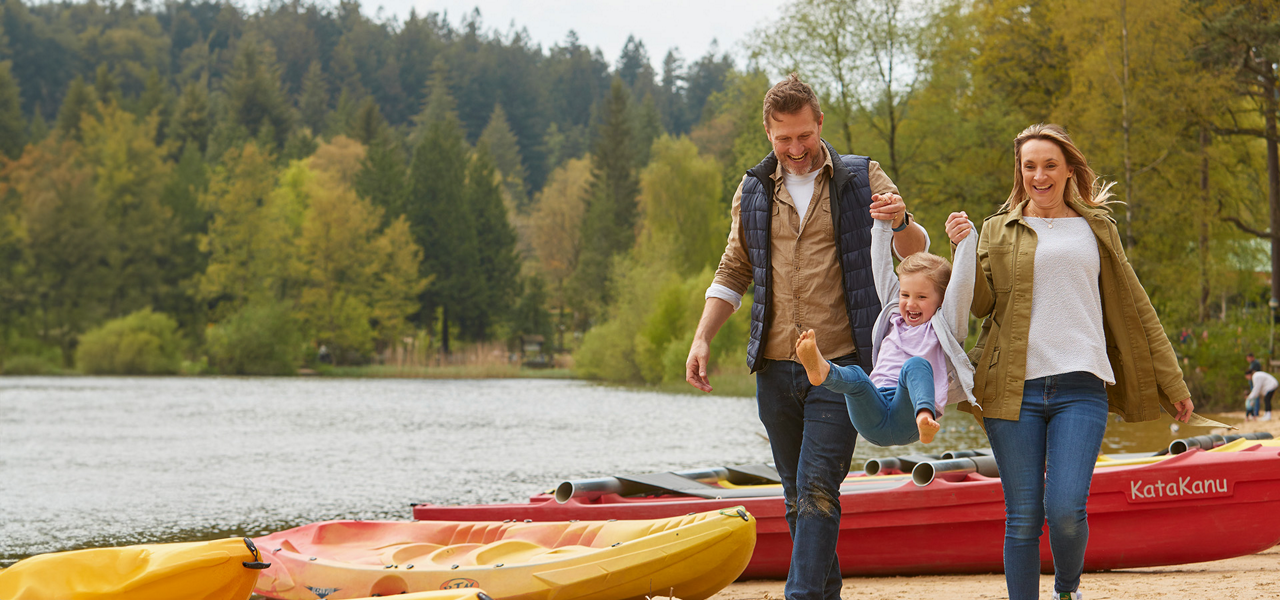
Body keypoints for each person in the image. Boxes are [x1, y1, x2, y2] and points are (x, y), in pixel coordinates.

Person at [949, 124, 1222, 600]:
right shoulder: (997, 229)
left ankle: (1067, 590)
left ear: (1069, 169)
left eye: (1049, 164)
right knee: (1023, 516)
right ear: (1020, 171)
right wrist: (963, 251)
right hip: (1013, 391)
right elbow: (979, 304)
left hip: (1082, 387)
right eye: (1029, 165)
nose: (1039, 174)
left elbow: (1138, 309)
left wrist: (1172, 383)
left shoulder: (1097, 228)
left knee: (1067, 509)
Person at [684, 74, 928, 600]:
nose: (795, 150)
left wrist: (901, 218)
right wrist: (702, 337)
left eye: (803, 136)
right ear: (768, 134)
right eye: (783, 139)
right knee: (798, 497)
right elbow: (733, 270)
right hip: (774, 368)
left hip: (841, 368)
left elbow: (915, 249)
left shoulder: (862, 177)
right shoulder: (751, 190)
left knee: (819, 487)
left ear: (819, 123)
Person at [794, 213, 978, 447]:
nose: (910, 303)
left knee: (916, 364)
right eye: (905, 295)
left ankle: (925, 417)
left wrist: (967, 236)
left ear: (942, 301)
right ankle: (823, 371)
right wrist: (882, 222)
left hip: (909, 416)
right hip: (873, 412)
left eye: (921, 297)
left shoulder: (946, 325)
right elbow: (880, 266)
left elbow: (962, 284)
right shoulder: (893, 315)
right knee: (858, 377)